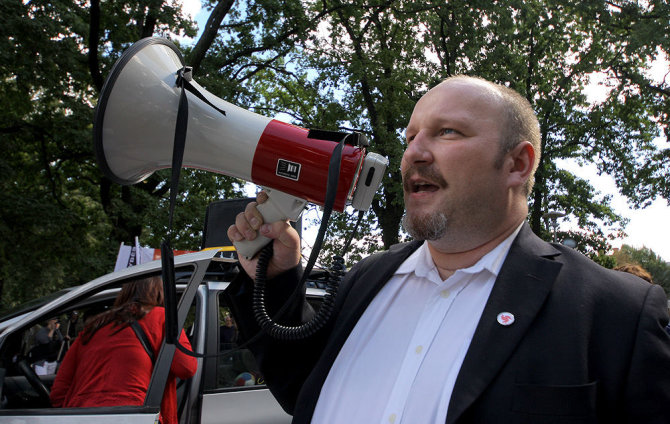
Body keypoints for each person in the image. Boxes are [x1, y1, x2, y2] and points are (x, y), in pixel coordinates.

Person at [225, 76, 670, 423]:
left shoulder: (616, 313)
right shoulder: (367, 277)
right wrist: (277, 277)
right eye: (411, 136)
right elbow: (300, 389)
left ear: (518, 164)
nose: (413, 153)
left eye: (448, 132)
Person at [50, 276, 197, 424]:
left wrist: (77, 412)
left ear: (125, 292)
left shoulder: (95, 324)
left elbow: (59, 390)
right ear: (159, 292)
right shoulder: (162, 318)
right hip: (134, 414)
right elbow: (187, 368)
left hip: (81, 414)